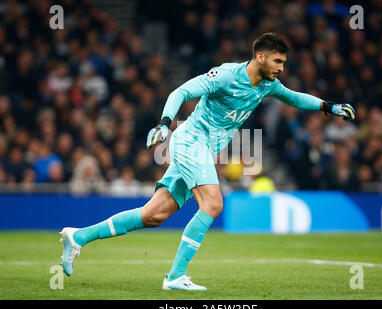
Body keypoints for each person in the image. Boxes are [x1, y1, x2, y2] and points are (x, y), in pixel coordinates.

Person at [60, 33, 355, 290]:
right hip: (191, 141)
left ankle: (78, 236)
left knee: (153, 215)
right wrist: (165, 123)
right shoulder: (227, 75)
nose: (282, 68)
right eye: (278, 61)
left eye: (283, 62)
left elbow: (293, 98)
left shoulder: (267, 85)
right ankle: (176, 276)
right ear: (260, 57)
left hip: (202, 149)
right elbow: (182, 92)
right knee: (213, 204)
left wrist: (328, 106)